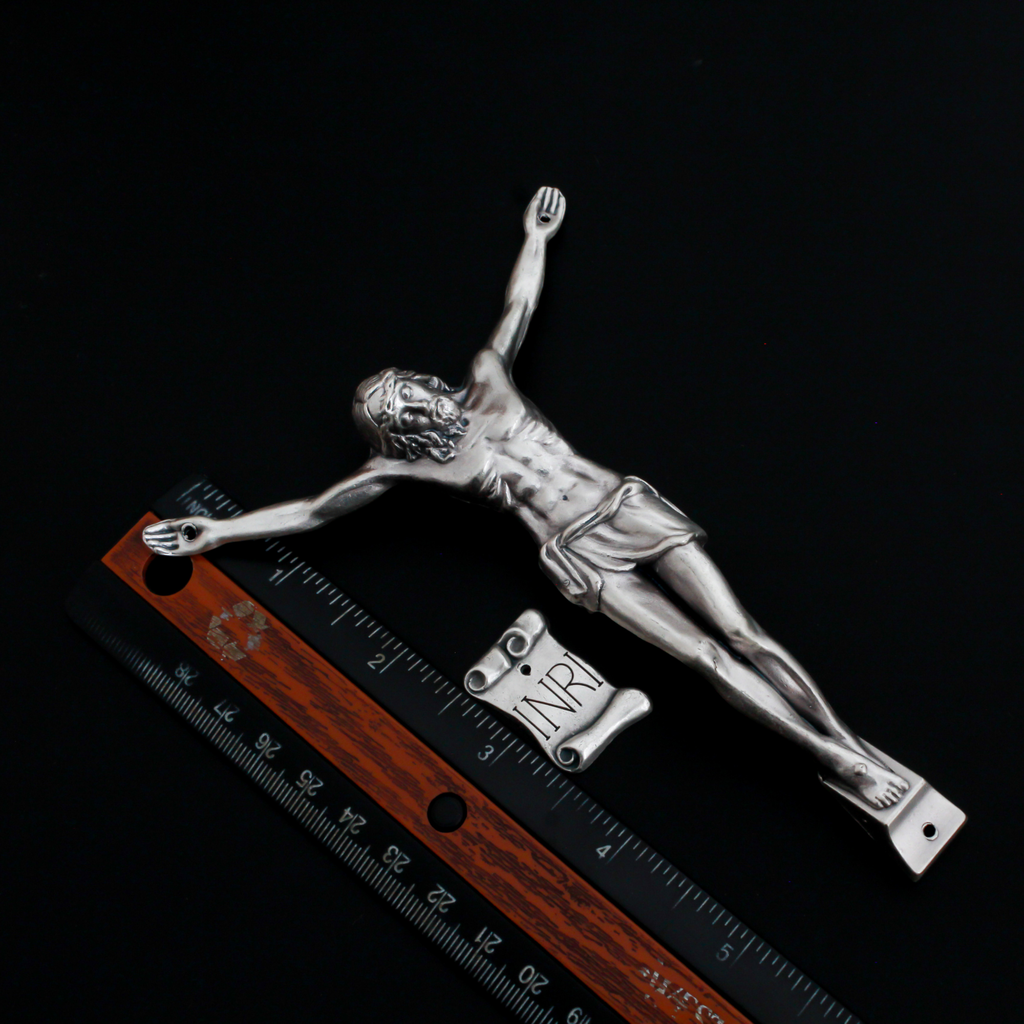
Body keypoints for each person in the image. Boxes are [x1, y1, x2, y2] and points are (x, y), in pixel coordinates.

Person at [144, 187, 909, 808]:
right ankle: (832, 759)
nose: (417, 394)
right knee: (704, 659)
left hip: (624, 507)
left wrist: (535, 238)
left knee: (744, 633)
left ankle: (851, 743)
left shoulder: (487, 377)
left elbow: (518, 309)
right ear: (397, 429)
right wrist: (218, 532)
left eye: (408, 383)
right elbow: (316, 511)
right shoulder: (410, 471)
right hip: (578, 557)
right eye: (401, 404)